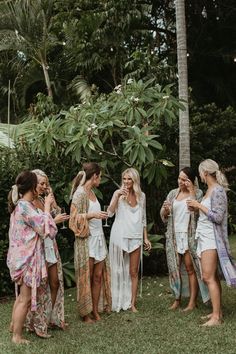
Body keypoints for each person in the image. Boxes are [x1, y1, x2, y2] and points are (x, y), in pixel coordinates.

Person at [7, 171, 57, 344]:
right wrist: (48, 206)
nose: (40, 188)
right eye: (38, 184)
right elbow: (46, 230)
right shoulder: (25, 207)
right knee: (25, 299)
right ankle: (17, 336)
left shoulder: (20, 205)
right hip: (27, 260)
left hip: (19, 258)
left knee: (21, 296)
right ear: (31, 187)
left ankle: (14, 326)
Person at [187, 159, 236, 326]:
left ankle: (216, 318)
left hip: (212, 239)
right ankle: (217, 312)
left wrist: (199, 206)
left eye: (200, 173)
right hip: (204, 236)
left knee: (208, 277)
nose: (200, 176)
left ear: (205, 173)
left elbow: (218, 216)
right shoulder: (209, 190)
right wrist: (196, 207)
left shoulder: (218, 191)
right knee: (212, 276)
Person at [25, 169, 69, 337]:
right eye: (41, 184)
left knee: (55, 283)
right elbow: (40, 226)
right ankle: (36, 323)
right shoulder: (28, 204)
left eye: (46, 184)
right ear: (33, 184)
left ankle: (51, 318)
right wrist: (53, 220)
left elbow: (57, 214)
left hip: (51, 245)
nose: (44, 186)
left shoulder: (44, 200)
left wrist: (52, 200)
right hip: (39, 248)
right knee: (41, 287)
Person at [160, 167, 209, 311]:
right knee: (174, 268)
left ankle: (192, 302)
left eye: (184, 179)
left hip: (188, 236)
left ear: (190, 180)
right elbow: (163, 216)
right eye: (179, 178)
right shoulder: (173, 194)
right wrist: (166, 210)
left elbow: (198, 213)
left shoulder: (198, 193)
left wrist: (192, 190)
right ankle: (177, 299)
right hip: (174, 236)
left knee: (190, 268)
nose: (180, 181)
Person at [69, 162, 111, 323]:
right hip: (87, 240)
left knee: (98, 277)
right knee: (87, 276)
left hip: (99, 239)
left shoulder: (92, 191)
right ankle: (85, 313)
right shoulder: (79, 194)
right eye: (99, 176)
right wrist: (91, 215)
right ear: (94, 176)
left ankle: (95, 310)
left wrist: (97, 215)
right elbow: (73, 219)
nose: (100, 179)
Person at [108, 168, 151, 313]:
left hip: (136, 237)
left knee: (133, 272)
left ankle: (132, 303)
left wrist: (145, 238)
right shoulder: (118, 194)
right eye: (124, 179)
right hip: (120, 235)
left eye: (129, 179)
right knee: (118, 270)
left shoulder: (142, 196)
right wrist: (116, 196)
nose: (126, 182)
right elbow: (109, 213)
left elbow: (143, 218)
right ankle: (115, 300)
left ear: (135, 181)